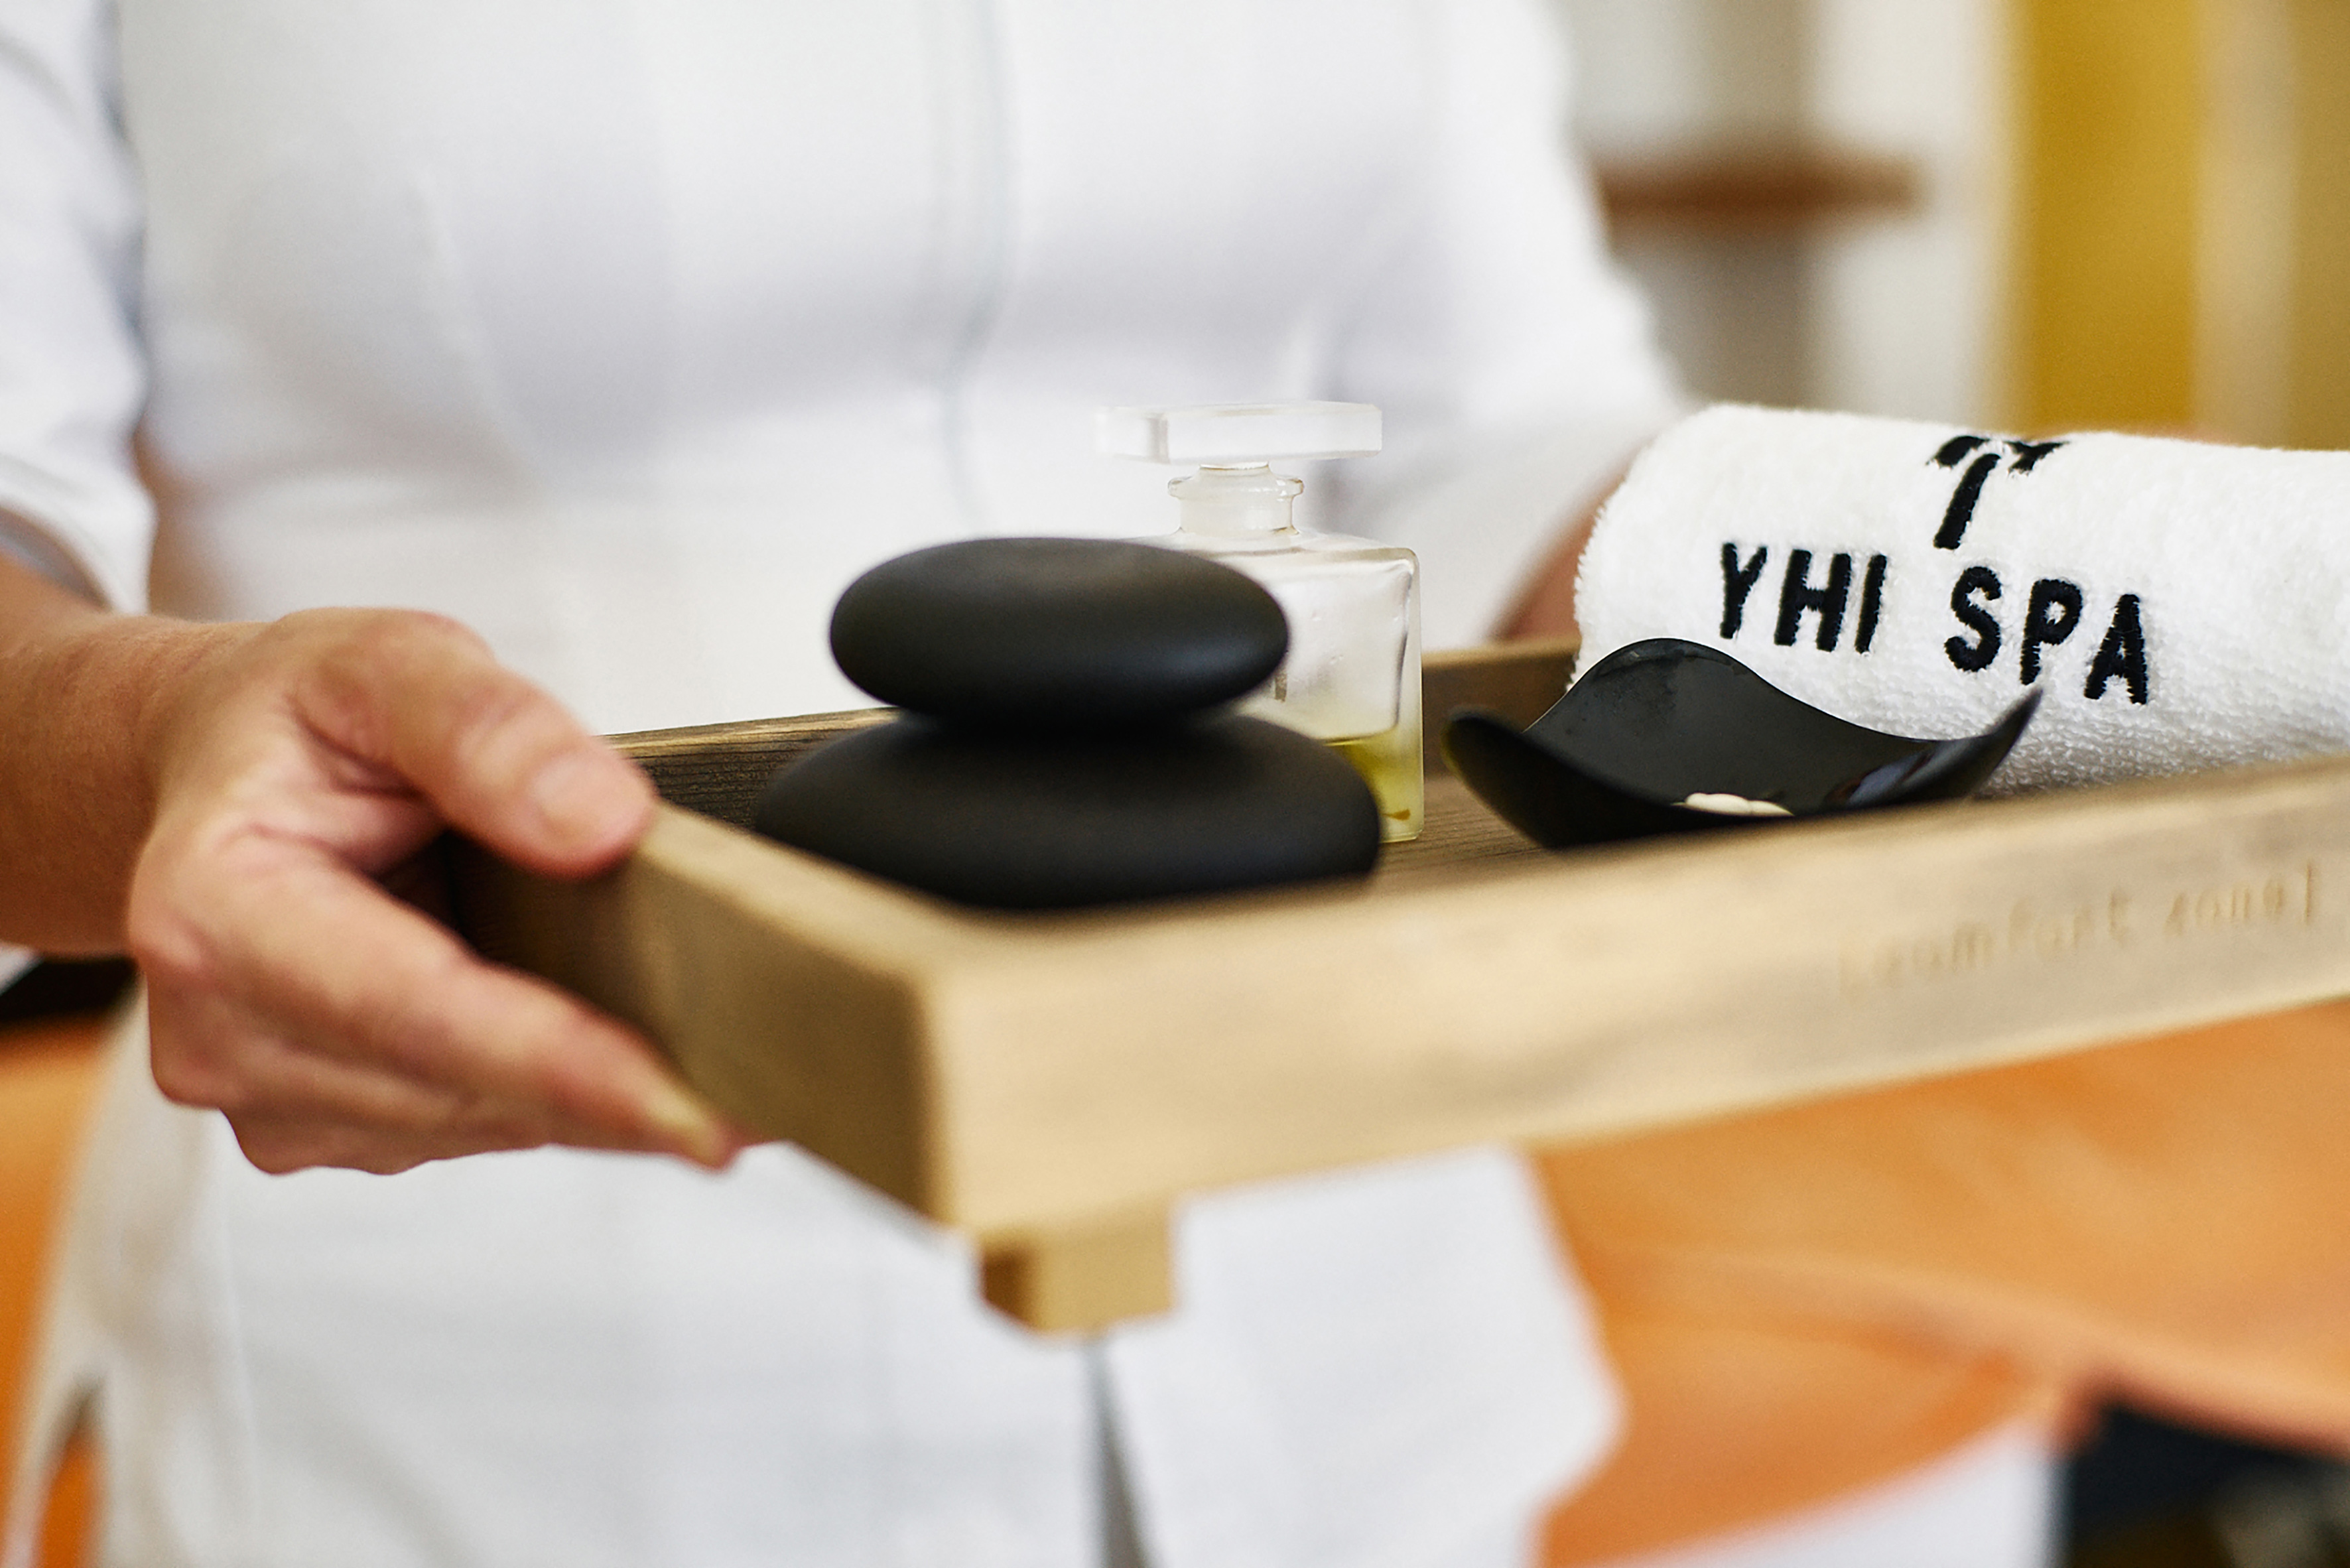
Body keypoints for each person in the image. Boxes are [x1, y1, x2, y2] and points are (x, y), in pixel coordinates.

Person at [1, 3, 2069, 1566]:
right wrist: (160, 736)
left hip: (1347, 1317)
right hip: (506, 1371)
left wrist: (2031, 599)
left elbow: (1510, 437)